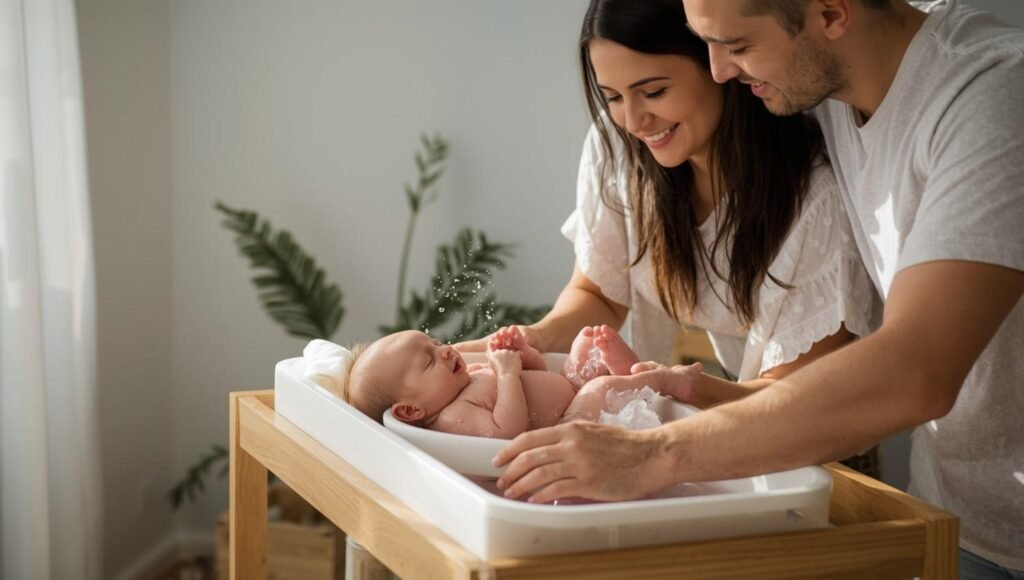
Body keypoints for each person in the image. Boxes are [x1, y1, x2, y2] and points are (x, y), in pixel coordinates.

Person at [494, 0, 1024, 575]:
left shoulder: (991, 98)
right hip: (956, 513)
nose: (719, 69)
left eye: (737, 46)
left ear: (830, 12)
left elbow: (915, 370)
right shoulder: (824, 83)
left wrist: (651, 455)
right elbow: (601, 285)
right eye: (707, 41)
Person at [344, 325, 702, 438]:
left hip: (567, 390)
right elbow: (505, 429)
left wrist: (523, 355)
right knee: (597, 390)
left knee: (583, 344)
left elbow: (539, 372)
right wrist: (508, 373)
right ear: (409, 409)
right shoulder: (453, 416)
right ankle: (666, 381)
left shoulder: (467, 379)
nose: (446, 351)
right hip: (568, 423)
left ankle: (626, 371)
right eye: (428, 359)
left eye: (436, 343)